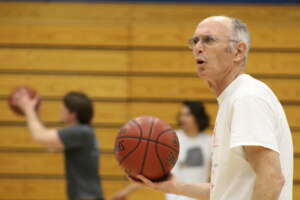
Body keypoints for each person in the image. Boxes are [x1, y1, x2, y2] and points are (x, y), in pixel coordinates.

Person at [130, 16, 293, 200]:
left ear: (238, 51)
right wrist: (176, 187)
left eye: (209, 40)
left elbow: (271, 178)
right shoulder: (233, 99)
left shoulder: (246, 97)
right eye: (195, 41)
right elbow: (226, 192)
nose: (198, 47)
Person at [110, 101, 212, 200]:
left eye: (187, 115)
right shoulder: (171, 139)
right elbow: (149, 172)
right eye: (181, 114)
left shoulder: (209, 142)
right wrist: (124, 192)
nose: (182, 118)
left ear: (198, 117)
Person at [16, 90, 104, 200]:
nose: (59, 111)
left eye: (63, 109)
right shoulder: (84, 132)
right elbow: (50, 144)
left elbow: (40, 136)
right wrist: (35, 113)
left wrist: (28, 109)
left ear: (72, 114)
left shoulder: (80, 132)